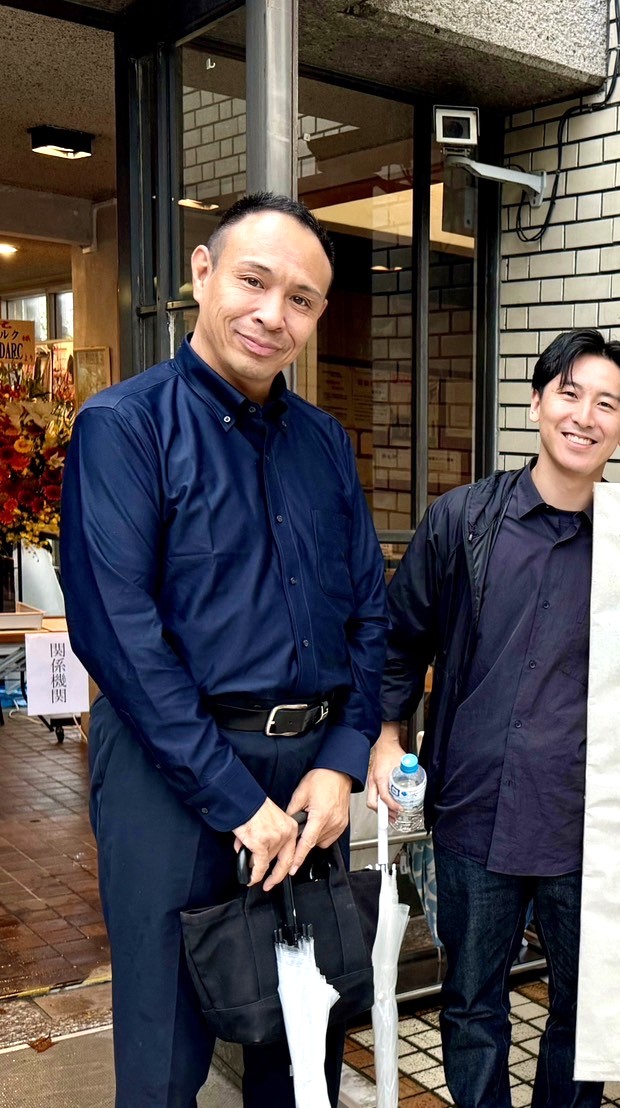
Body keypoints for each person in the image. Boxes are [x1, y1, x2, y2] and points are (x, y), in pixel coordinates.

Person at [62, 192, 387, 1107]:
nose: (272, 314)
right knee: (165, 1052)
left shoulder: (325, 443)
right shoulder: (125, 427)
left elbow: (370, 615)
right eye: (254, 281)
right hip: (169, 775)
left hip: (309, 779)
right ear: (202, 274)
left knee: (303, 1038)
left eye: (301, 299)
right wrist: (238, 802)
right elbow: (119, 637)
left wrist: (341, 761)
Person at [371, 328, 620, 1108]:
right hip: (475, 807)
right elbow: (400, 637)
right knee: (471, 1005)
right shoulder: (462, 520)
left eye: (606, 405)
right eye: (569, 393)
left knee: (584, 1014)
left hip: (589, 820)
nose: (584, 416)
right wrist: (386, 739)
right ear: (535, 402)